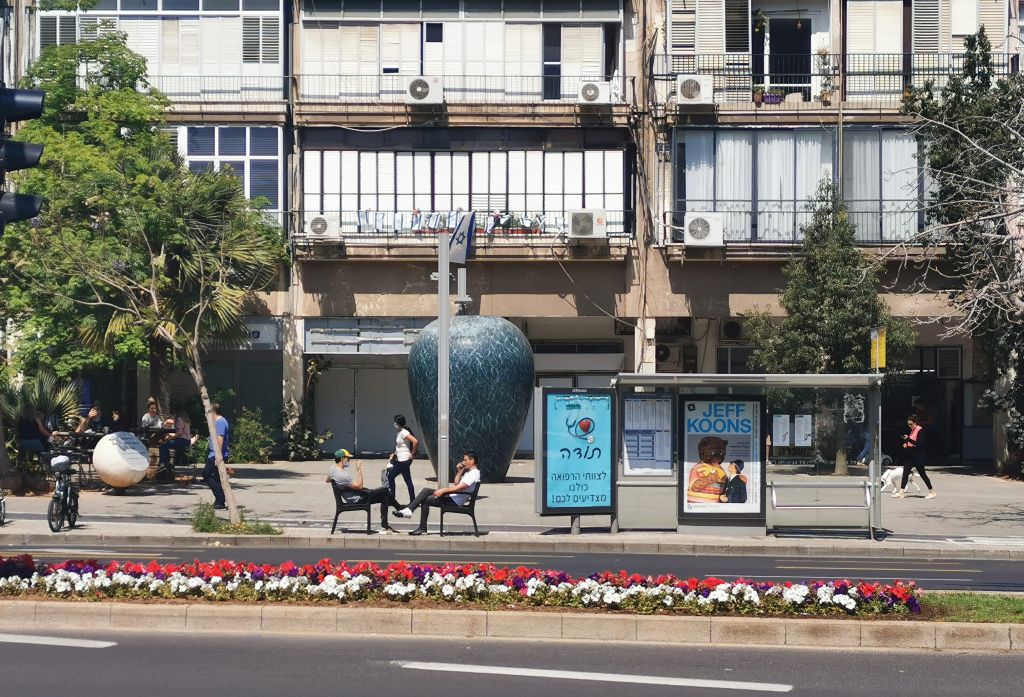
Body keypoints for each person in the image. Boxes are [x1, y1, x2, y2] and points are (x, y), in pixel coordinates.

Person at [396, 450, 481, 536]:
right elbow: (456, 483)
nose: (463, 462)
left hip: (455, 501)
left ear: (472, 460)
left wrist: (443, 490)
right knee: (426, 491)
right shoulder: (469, 473)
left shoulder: (474, 474)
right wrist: (460, 471)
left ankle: (418, 522)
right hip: (453, 497)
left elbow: (459, 488)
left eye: (465, 460)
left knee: (426, 500)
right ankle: (410, 511)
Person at [326, 448, 400, 534]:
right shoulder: (342, 475)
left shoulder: (332, 469)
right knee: (385, 490)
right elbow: (359, 486)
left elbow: (327, 480)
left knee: (384, 497)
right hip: (357, 498)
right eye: (348, 458)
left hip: (353, 496)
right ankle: (399, 508)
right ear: (342, 459)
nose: (349, 460)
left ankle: (385, 524)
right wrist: (359, 469)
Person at [893, 414, 936, 500]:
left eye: (911, 424)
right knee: (905, 473)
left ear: (915, 422)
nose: (909, 426)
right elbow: (912, 442)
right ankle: (901, 492)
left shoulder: (920, 430)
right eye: (908, 424)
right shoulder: (912, 430)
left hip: (917, 456)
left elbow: (920, 443)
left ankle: (932, 491)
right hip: (910, 455)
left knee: (922, 474)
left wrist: (908, 439)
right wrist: (907, 444)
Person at [387, 414, 419, 506]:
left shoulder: (404, 432)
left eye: (395, 422)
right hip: (402, 459)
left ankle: (392, 499)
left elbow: (415, 441)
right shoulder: (400, 432)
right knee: (408, 480)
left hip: (404, 460)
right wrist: (394, 454)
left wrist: (412, 455)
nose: (394, 424)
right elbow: (401, 446)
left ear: (398, 423)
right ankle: (413, 501)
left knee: (391, 476)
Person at [203, 404, 231, 510]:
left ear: (213, 412)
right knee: (215, 477)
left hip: (216, 454)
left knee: (206, 474)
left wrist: (217, 456)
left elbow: (220, 439)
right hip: (213, 453)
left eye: (207, 413)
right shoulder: (217, 422)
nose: (206, 415)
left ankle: (220, 499)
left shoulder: (220, 422)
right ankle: (219, 501)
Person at [159, 411, 192, 477]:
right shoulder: (185, 420)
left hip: (183, 440)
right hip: (187, 440)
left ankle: (164, 465)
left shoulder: (179, 419)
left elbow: (179, 433)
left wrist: (170, 437)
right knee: (167, 445)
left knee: (163, 446)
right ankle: (168, 465)